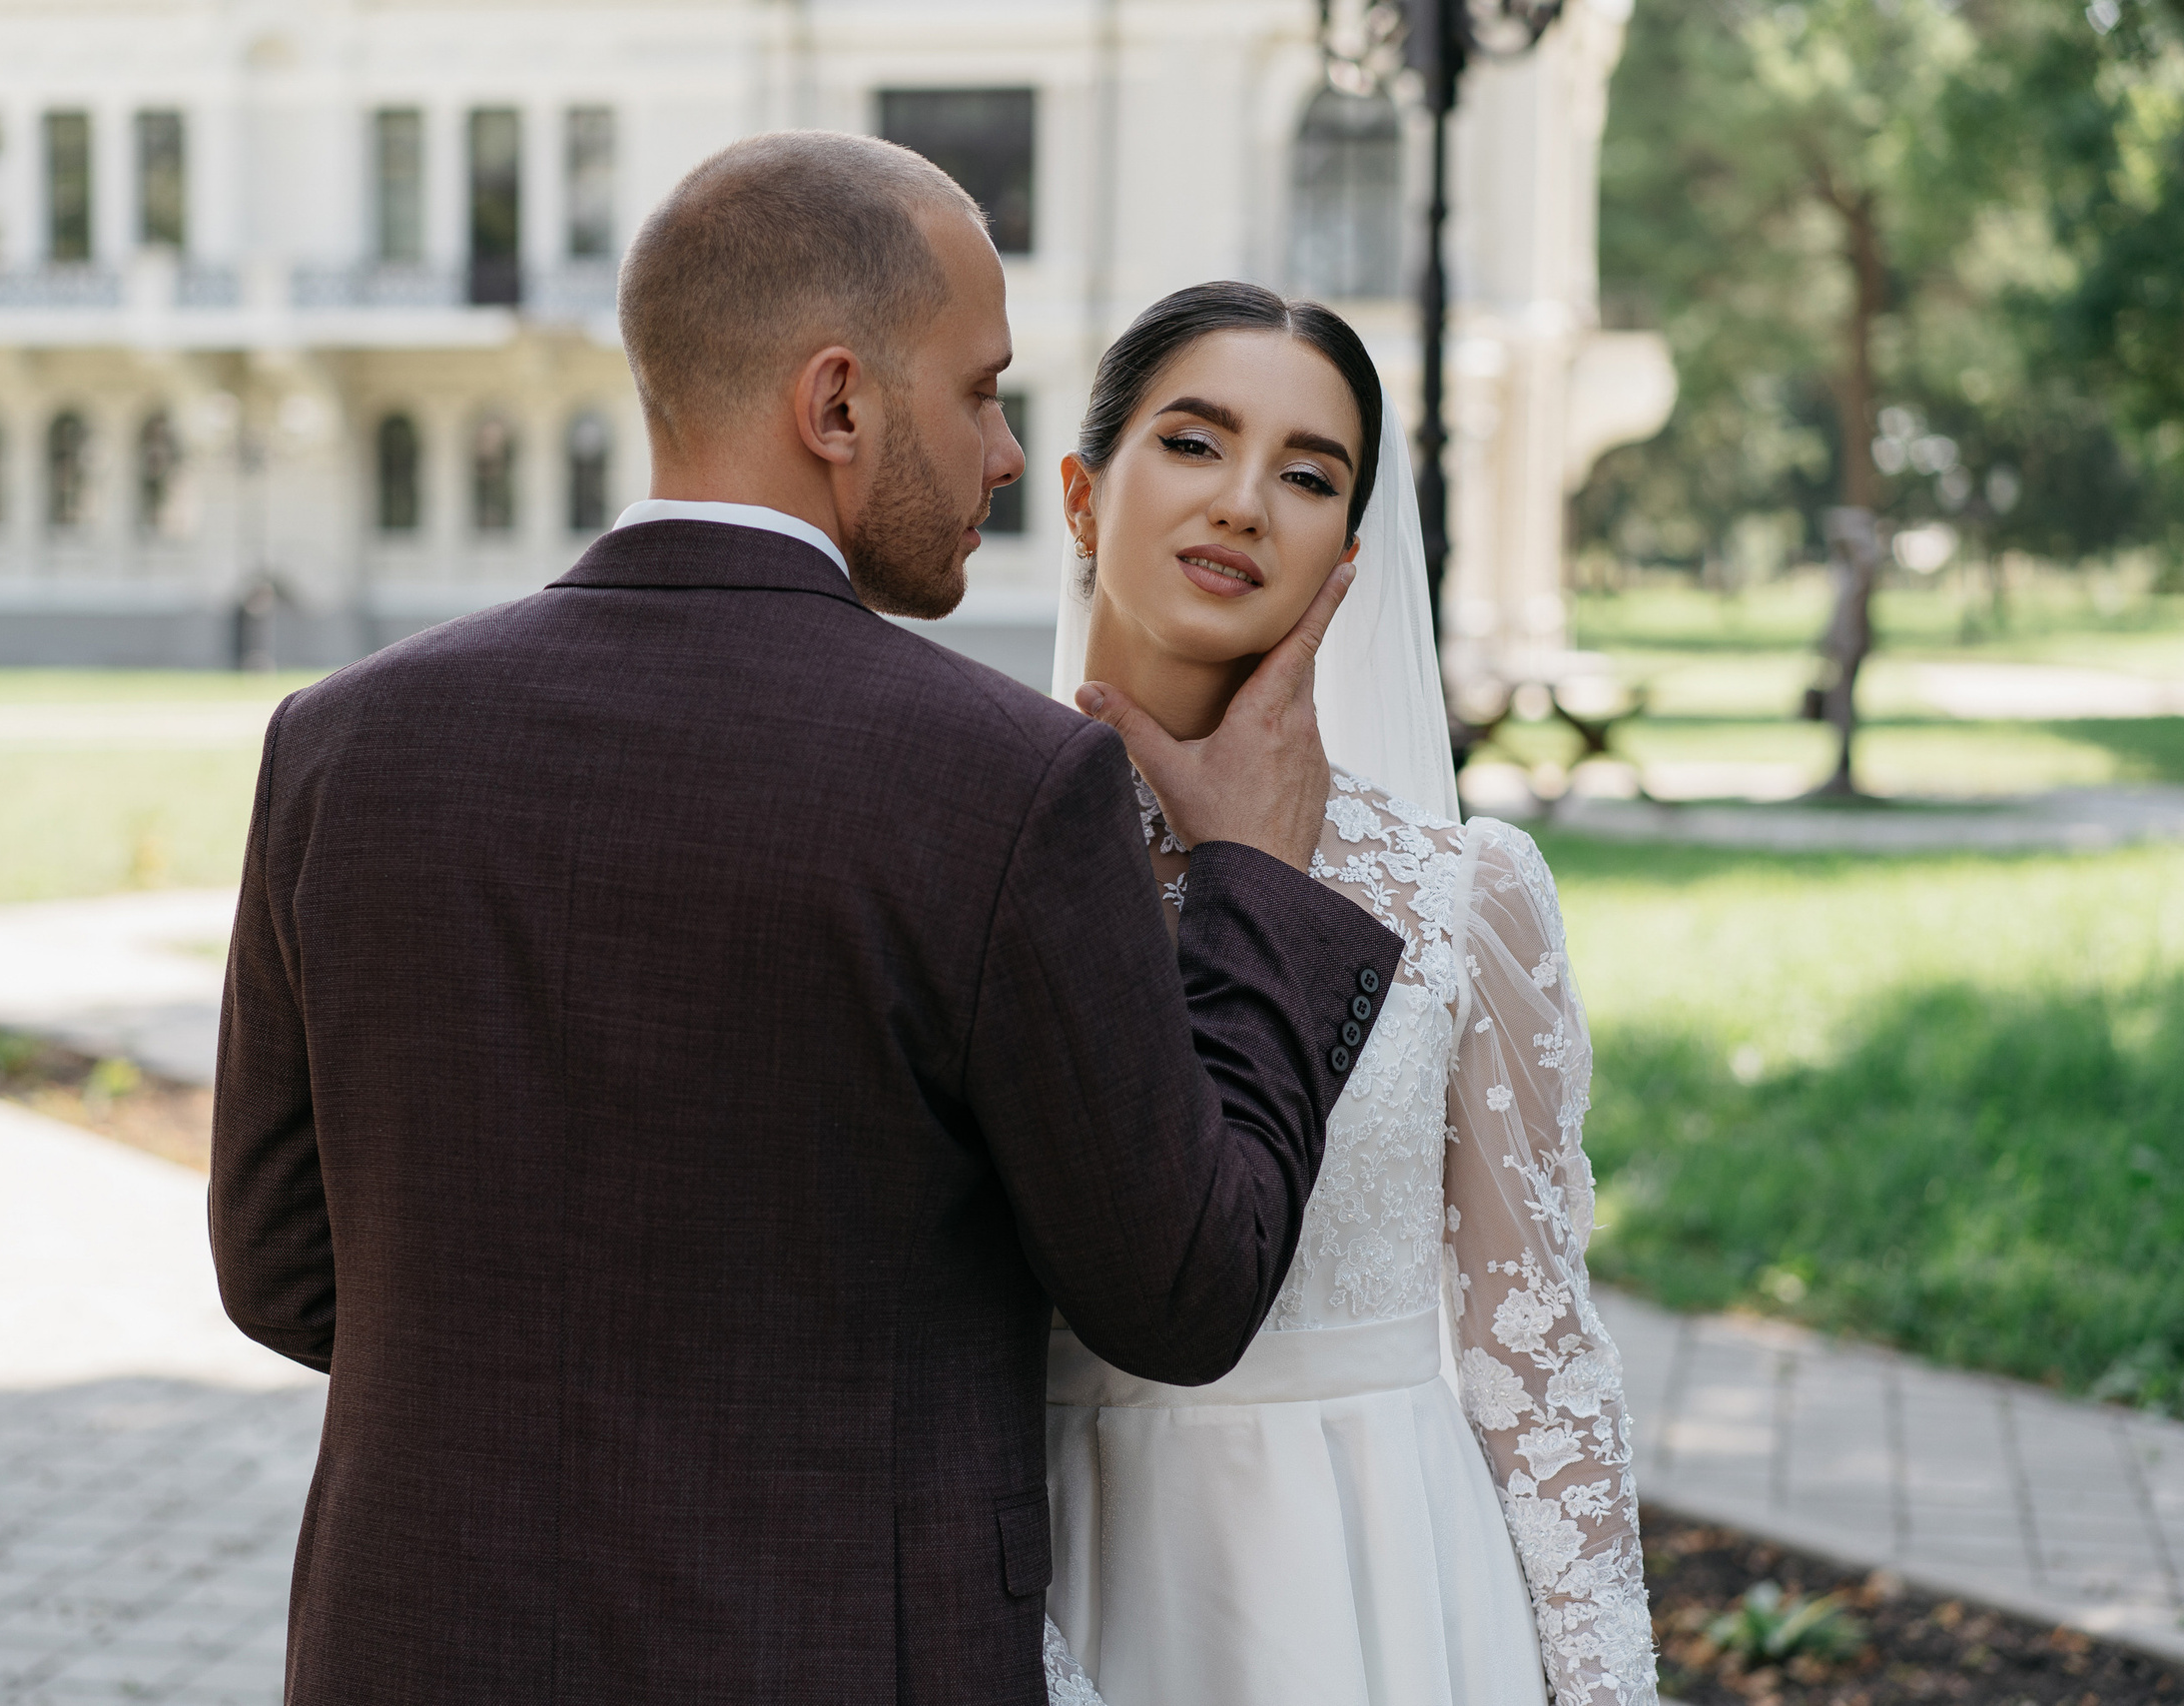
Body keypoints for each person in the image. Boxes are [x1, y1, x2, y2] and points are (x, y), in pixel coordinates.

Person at [209, 135, 1406, 1703]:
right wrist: (1254, 882)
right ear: (838, 405)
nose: (1001, 454)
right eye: (979, 392)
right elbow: (1184, 1290)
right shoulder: (1011, 785)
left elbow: (282, 1265)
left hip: (422, 1640)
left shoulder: (340, 742)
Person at [1035, 283, 1659, 1706]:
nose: (1246, 503)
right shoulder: (971, 866)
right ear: (1082, 495)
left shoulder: (1465, 895)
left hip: (1393, 1590)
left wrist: (1603, 1685)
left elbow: (1539, 1346)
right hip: (1075, 1579)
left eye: (1307, 474)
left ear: (1347, 554)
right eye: (1194, 445)